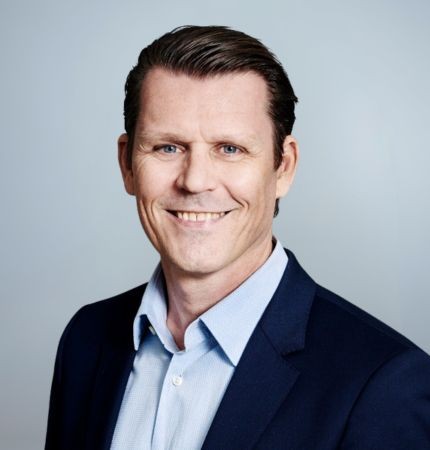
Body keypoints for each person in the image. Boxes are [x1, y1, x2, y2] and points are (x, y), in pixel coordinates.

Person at [45, 26, 430, 450]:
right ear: (127, 165)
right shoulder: (86, 339)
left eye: (230, 149)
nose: (195, 181)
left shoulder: (383, 385)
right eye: (168, 147)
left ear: (284, 167)